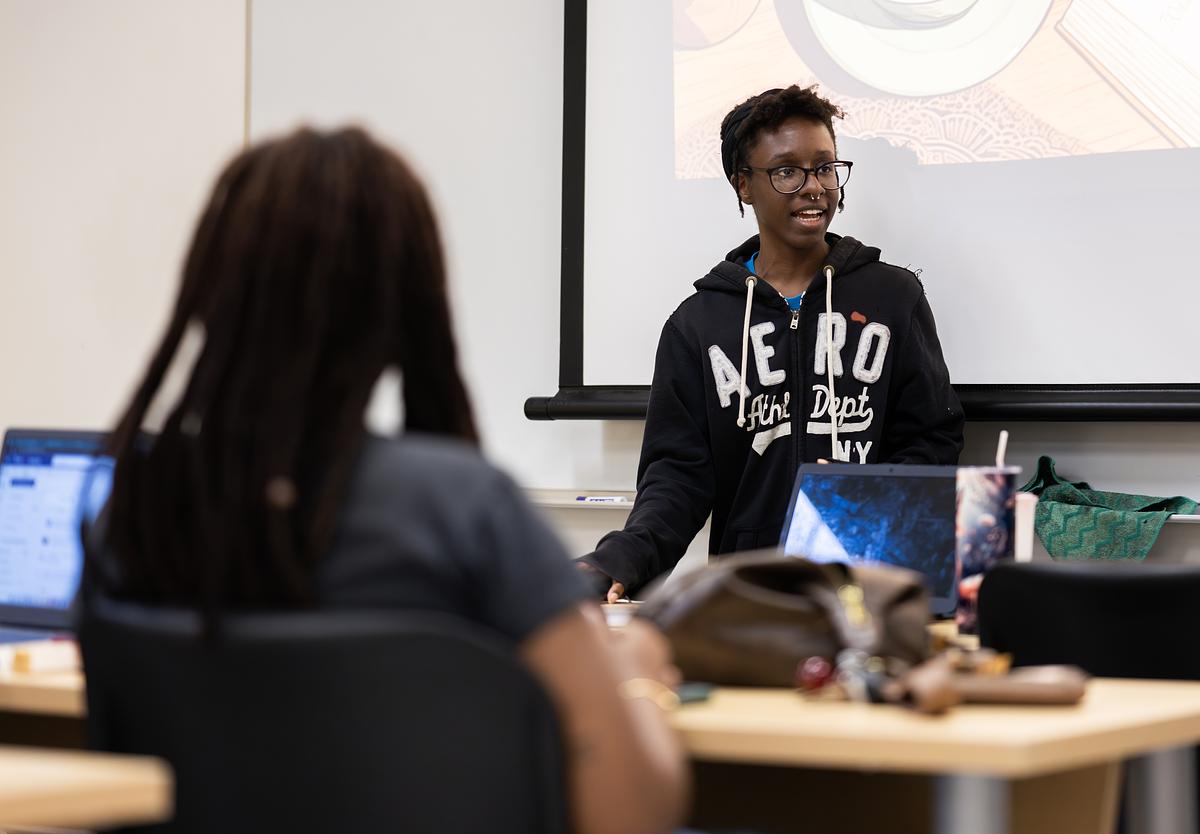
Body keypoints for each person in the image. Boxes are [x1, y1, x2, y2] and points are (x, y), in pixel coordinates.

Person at [82, 127, 688, 834]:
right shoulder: (466, 512)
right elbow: (628, 813)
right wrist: (639, 676)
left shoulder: (137, 518)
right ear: (406, 301)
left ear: (214, 288)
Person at [579, 84, 964, 602]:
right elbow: (677, 478)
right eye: (787, 171)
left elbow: (932, 441)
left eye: (825, 167)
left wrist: (866, 496)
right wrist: (616, 560)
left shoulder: (894, 296)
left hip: (873, 590)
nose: (814, 187)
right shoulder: (697, 325)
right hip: (753, 599)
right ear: (744, 185)